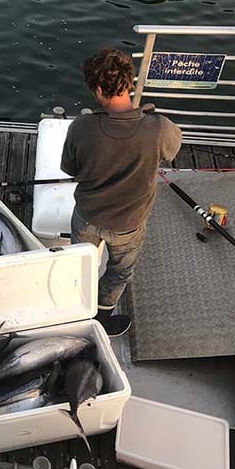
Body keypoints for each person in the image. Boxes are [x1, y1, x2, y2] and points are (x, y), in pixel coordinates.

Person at [61, 48, 182, 337]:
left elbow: (70, 168)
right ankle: (101, 317)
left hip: (87, 216)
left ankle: (76, 308)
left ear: (99, 89)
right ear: (130, 82)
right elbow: (172, 150)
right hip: (129, 223)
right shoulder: (159, 128)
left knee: (82, 262)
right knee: (119, 272)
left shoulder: (82, 127)